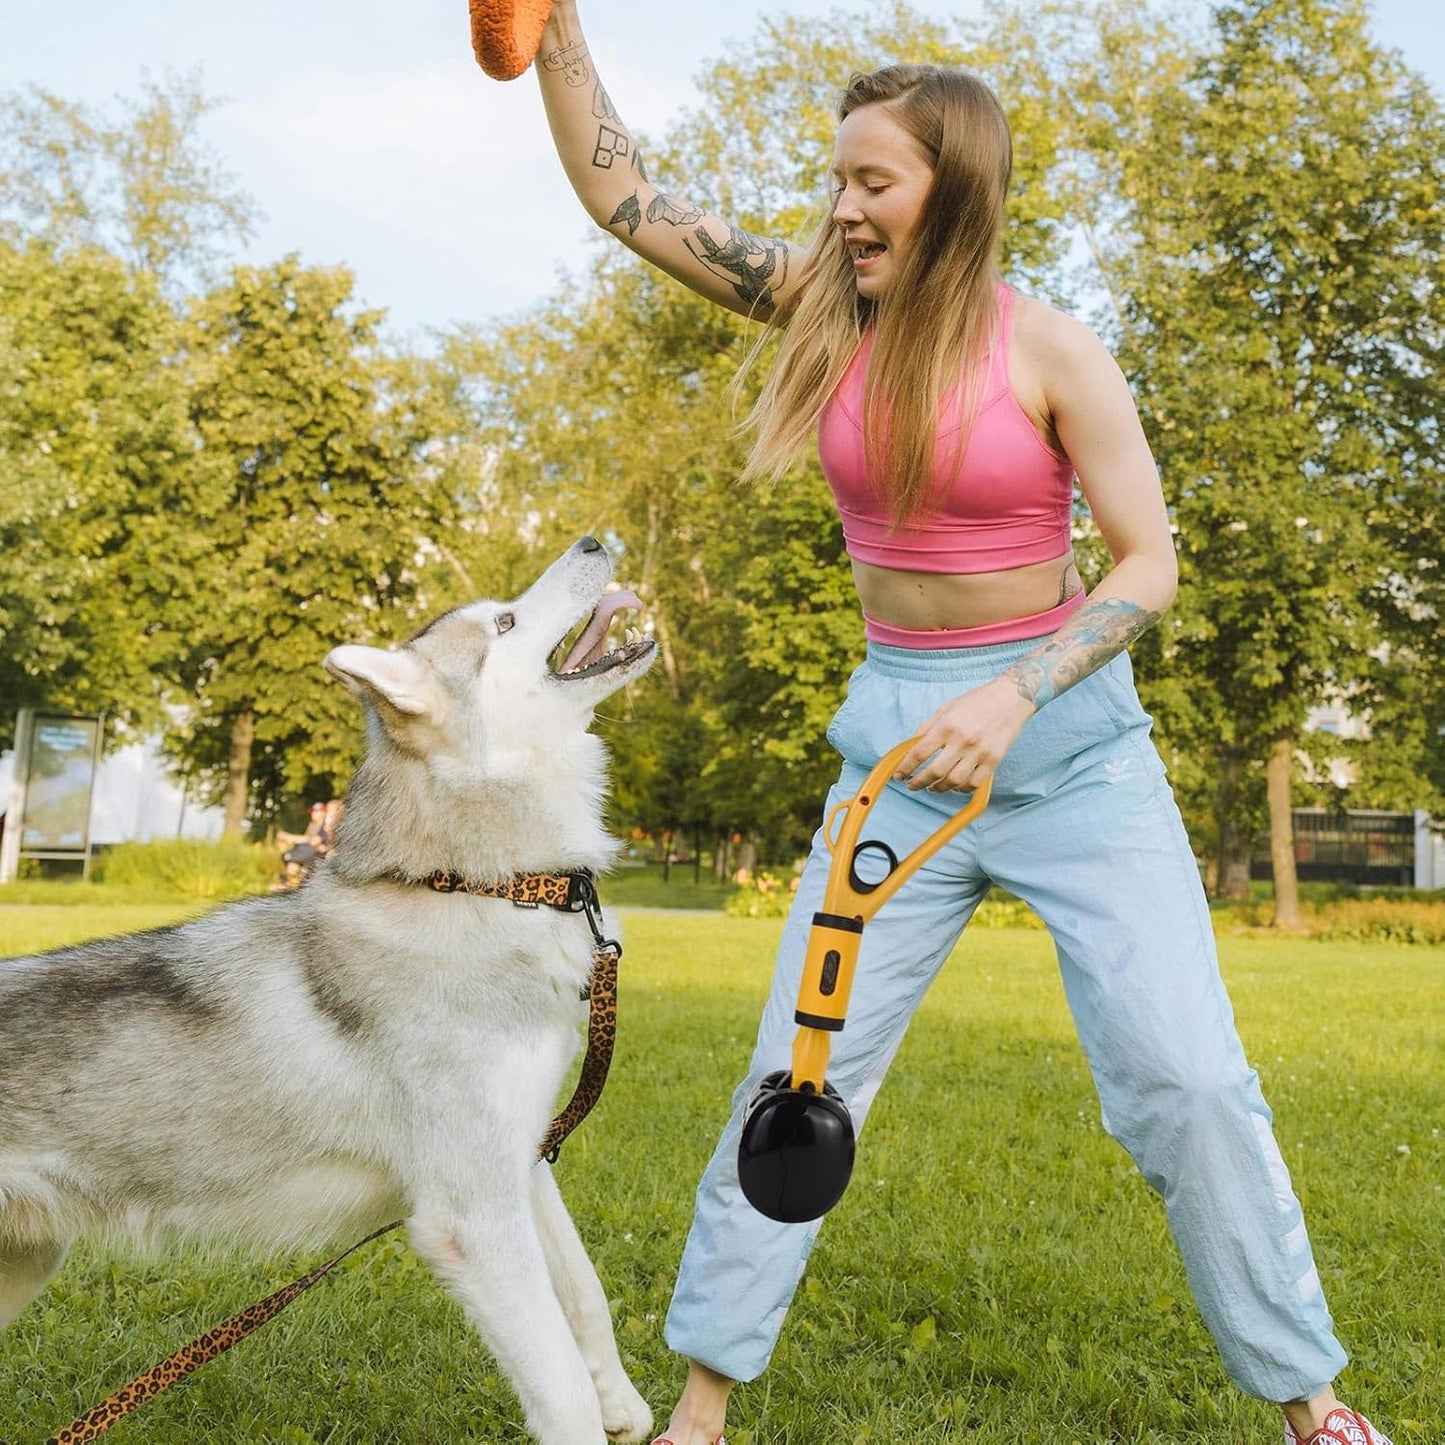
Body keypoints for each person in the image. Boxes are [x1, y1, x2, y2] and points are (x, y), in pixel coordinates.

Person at [525, 7, 1393, 1444]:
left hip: (1075, 760)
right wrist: (552, 25)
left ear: (954, 190)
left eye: (872, 180)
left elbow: (1148, 566)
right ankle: (697, 1416)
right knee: (796, 1082)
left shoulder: (1053, 350)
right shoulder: (821, 311)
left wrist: (1015, 691)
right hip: (898, 769)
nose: (841, 207)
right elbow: (623, 196)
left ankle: (1312, 1404)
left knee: (1186, 1080)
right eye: (838, 179)